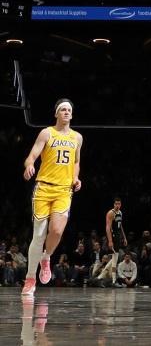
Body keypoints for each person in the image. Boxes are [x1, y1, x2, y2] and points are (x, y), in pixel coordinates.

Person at [21, 99, 83, 298]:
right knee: (39, 235)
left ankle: (46, 257)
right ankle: (30, 279)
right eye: (62, 109)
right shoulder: (46, 133)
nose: (66, 112)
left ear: (72, 114)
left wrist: (75, 178)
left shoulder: (77, 137)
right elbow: (32, 156)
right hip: (44, 188)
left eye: (69, 110)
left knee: (56, 231)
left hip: (64, 190)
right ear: (56, 114)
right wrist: (29, 165)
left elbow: (76, 162)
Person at [104, 197, 127, 283]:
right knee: (115, 259)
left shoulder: (120, 213)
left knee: (115, 258)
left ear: (121, 205)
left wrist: (124, 237)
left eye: (119, 204)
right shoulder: (111, 213)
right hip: (112, 236)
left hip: (118, 237)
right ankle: (114, 280)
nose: (117, 205)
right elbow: (107, 228)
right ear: (114, 204)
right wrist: (110, 241)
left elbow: (120, 226)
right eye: (116, 204)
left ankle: (100, 276)